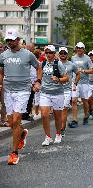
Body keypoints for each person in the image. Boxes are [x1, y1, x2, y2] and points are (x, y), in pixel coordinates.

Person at [0, 29, 42, 165]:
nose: (9, 42)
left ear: (18, 39)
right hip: (8, 91)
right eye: (7, 40)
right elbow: (1, 71)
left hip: (23, 91)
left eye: (12, 39)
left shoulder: (28, 55)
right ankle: (22, 133)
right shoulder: (3, 55)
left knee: (17, 119)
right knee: (12, 123)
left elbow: (39, 67)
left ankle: (14, 153)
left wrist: (38, 81)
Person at [40, 45, 69, 146]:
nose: (48, 55)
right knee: (44, 115)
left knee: (57, 116)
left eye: (50, 53)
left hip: (57, 93)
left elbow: (66, 78)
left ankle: (58, 134)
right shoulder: (43, 63)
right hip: (45, 92)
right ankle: (48, 137)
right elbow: (39, 75)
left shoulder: (59, 64)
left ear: (54, 53)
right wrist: (37, 83)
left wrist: (58, 79)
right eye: (46, 53)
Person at [69, 42, 92, 127]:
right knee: (74, 100)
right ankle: (75, 120)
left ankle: (86, 116)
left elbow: (92, 70)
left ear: (83, 49)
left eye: (80, 48)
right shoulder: (73, 58)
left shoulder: (87, 58)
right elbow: (71, 68)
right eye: (77, 48)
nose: (78, 49)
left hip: (84, 83)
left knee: (84, 100)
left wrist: (83, 71)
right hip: (75, 82)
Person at [58, 47, 79, 137]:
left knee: (64, 108)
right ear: (59, 54)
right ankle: (60, 125)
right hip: (56, 90)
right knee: (57, 110)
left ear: (67, 55)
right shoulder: (55, 64)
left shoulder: (72, 65)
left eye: (64, 53)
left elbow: (78, 74)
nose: (63, 55)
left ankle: (62, 128)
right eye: (61, 53)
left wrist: (75, 82)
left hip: (67, 90)